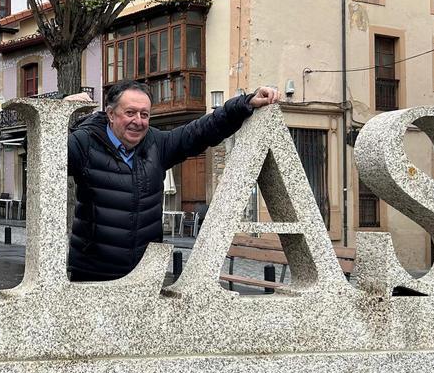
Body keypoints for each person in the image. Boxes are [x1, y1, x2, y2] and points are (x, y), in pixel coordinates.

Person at [65, 80, 281, 282]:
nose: (138, 121)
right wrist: (58, 114)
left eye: (144, 114)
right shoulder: (84, 143)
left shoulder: (157, 144)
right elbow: (43, 157)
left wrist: (245, 103)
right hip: (93, 273)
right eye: (130, 113)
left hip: (144, 273)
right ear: (111, 114)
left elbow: (201, 131)